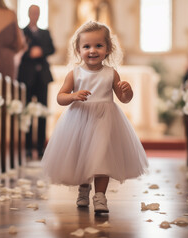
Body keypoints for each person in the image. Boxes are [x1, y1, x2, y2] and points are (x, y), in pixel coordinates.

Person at [41, 21, 149, 213]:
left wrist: (128, 92)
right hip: (79, 120)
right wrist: (73, 96)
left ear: (108, 48)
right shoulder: (74, 74)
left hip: (105, 120)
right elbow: (60, 97)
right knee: (82, 157)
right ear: (78, 49)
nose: (93, 50)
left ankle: (100, 196)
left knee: (102, 158)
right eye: (87, 46)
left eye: (99, 45)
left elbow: (123, 99)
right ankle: (84, 189)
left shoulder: (111, 73)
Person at [17, 5, 55, 158]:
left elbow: (52, 49)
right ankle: (27, 146)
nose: (35, 15)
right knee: (27, 112)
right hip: (27, 76)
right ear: (28, 14)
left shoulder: (45, 33)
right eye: (33, 12)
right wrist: (29, 53)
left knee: (42, 112)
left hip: (43, 77)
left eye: (37, 13)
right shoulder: (21, 32)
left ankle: (40, 146)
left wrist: (41, 51)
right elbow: (18, 50)